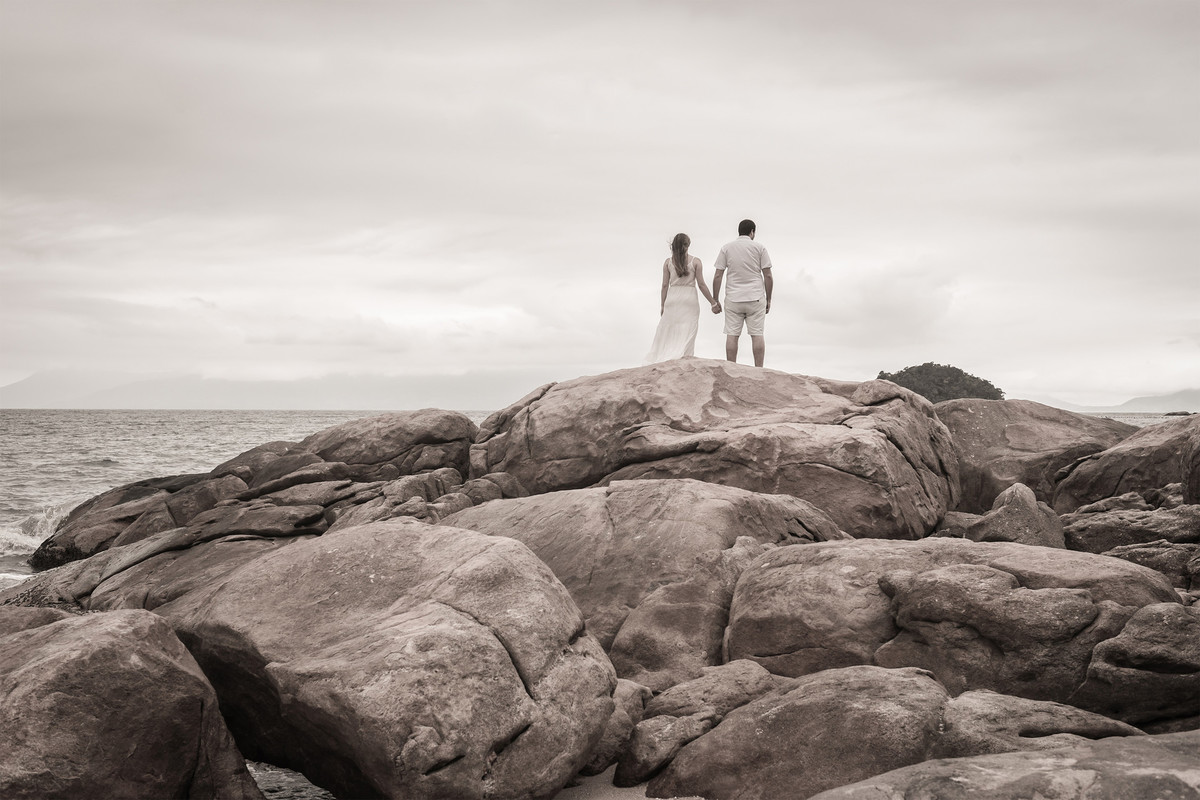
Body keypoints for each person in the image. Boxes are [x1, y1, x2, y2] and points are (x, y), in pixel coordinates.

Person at [644, 233, 722, 364]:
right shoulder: (695, 261)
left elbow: (664, 285)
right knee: (688, 327)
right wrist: (713, 303)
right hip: (689, 297)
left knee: (669, 328)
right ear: (687, 245)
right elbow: (702, 284)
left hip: (672, 297)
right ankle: (684, 356)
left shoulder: (667, 263)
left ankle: (664, 356)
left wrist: (662, 305)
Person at [712, 219, 773, 367]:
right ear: (752, 232)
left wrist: (715, 299)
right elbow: (768, 276)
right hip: (755, 297)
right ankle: (759, 369)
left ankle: (731, 368)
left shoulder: (726, 248)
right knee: (757, 334)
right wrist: (769, 299)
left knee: (732, 334)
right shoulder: (760, 248)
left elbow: (718, 275)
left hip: (733, 298)